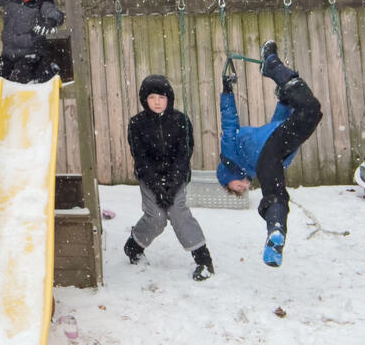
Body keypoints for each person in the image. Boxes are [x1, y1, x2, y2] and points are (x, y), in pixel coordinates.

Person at [217, 40, 323, 267]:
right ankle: (276, 233)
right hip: (278, 150)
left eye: (237, 187)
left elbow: (229, 123)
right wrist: (285, 100)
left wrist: (227, 92)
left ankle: (273, 65)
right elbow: (277, 125)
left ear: (227, 177)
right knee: (274, 193)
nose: (244, 187)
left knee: (311, 110)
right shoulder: (257, 169)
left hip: (273, 144)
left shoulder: (229, 154)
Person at [123, 74, 215, 281]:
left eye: (162, 97)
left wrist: (172, 186)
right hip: (149, 178)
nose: (157, 102)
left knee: (178, 212)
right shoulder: (137, 124)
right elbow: (141, 158)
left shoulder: (181, 121)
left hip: (176, 177)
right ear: (144, 99)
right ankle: (134, 246)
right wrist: (156, 187)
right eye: (152, 97)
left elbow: (184, 155)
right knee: (156, 217)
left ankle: (203, 259)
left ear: (169, 99)